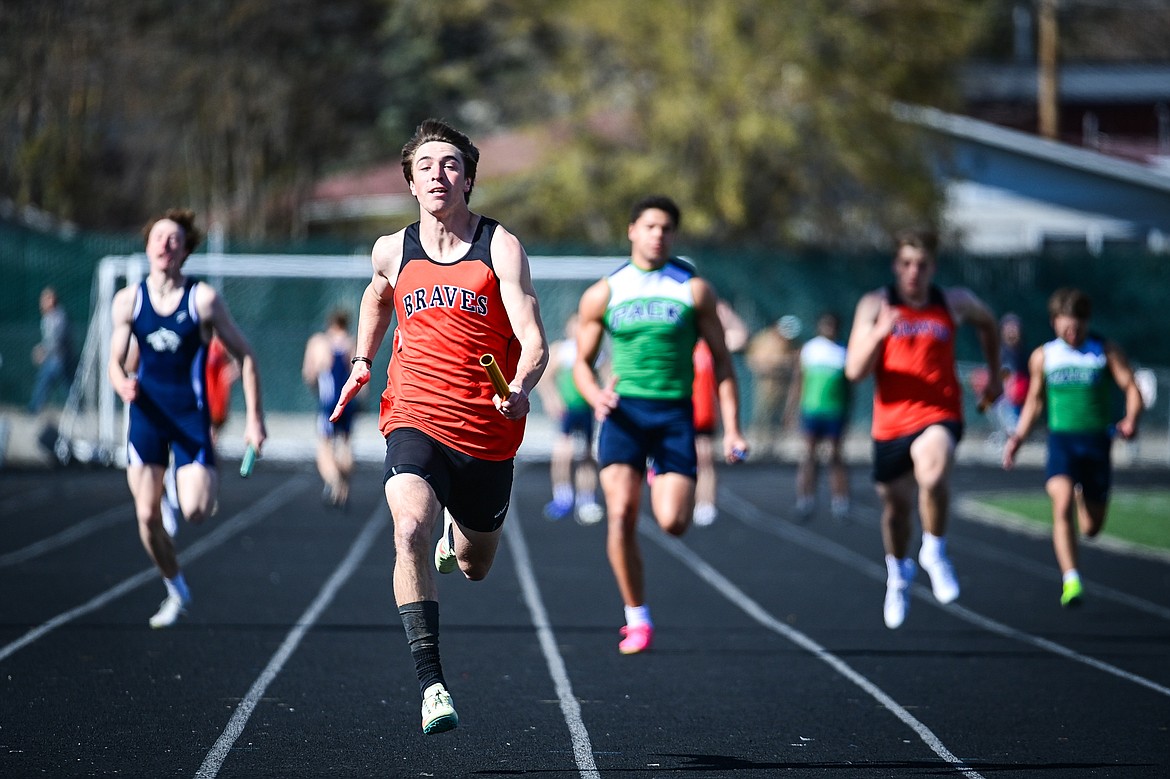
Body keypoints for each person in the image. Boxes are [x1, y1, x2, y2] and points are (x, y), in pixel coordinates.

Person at [328, 119, 547, 735]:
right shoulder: (392, 249)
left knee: (476, 565)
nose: (437, 175)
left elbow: (533, 340)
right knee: (409, 526)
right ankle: (432, 685)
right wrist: (364, 361)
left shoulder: (500, 248)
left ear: (469, 178)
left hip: (487, 432)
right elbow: (376, 296)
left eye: (450, 165)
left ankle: (461, 537)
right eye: (425, 166)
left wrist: (523, 387)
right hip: (414, 415)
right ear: (411, 182)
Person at [573, 195, 748, 655]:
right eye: (650, 226)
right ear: (632, 230)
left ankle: (658, 473)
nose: (658, 235)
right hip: (624, 414)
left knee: (673, 522)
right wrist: (596, 396)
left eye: (667, 228)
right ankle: (637, 617)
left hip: (673, 415)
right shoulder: (605, 292)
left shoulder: (693, 290)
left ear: (674, 235)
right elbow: (581, 364)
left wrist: (732, 429)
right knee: (622, 515)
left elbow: (725, 365)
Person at [107, 208, 266, 628]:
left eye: (174, 239)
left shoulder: (203, 300)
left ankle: (178, 485)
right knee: (146, 518)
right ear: (147, 245)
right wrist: (121, 381)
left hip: (189, 417)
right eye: (158, 237)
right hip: (146, 417)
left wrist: (255, 419)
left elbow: (246, 355)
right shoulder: (128, 301)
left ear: (185, 251)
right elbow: (115, 363)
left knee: (196, 510)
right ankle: (175, 588)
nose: (165, 244)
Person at [844, 228, 1001, 630]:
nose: (914, 272)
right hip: (891, 422)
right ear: (896, 266)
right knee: (896, 511)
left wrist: (995, 373)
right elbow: (854, 370)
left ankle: (934, 549)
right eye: (907, 264)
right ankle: (899, 575)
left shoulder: (954, 302)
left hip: (938, 412)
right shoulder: (875, 304)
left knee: (933, 472)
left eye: (922, 264)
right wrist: (880, 331)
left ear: (933, 266)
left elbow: (990, 325)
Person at [1002, 288, 1142, 608]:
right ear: (1054, 323)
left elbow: (1131, 387)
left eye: (1078, 327)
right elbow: (1034, 403)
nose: (1073, 333)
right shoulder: (1044, 356)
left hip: (1096, 445)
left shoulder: (1103, 351)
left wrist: (1131, 418)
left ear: (1086, 322)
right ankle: (1071, 578)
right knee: (1060, 502)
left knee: (1091, 528)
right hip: (1062, 443)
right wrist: (1017, 440)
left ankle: (1084, 496)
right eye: (1066, 328)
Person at [536, 313, 603, 525]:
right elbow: (545, 378)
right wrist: (552, 399)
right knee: (562, 453)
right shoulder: (562, 350)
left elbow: (606, 375)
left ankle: (586, 499)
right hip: (568, 410)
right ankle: (563, 497)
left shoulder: (593, 350)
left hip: (586, 409)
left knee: (586, 454)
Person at [692, 299, 748, 526]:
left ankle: (706, 503)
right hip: (682, 413)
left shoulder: (711, 348)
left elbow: (741, 337)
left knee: (705, 460)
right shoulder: (682, 346)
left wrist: (726, 314)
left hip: (705, 414)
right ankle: (688, 500)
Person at [790, 311, 851, 521]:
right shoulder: (809, 349)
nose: (829, 329)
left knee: (835, 456)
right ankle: (805, 499)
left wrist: (847, 412)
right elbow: (798, 382)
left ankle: (840, 502)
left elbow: (849, 386)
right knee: (808, 455)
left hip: (835, 411)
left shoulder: (845, 351)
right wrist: (792, 409)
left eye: (833, 325)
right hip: (811, 410)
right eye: (826, 325)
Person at [302, 309, 359, 509]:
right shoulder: (353, 343)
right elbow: (360, 375)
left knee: (324, 444)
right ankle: (344, 486)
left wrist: (315, 388)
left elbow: (309, 373)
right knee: (345, 442)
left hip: (328, 401)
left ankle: (334, 481)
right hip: (348, 400)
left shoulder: (319, 342)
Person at [745, 314, 801, 456]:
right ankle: (760, 446)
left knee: (779, 416)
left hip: (783, 385)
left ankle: (774, 448)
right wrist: (777, 364)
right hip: (766, 385)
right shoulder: (764, 340)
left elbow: (795, 361)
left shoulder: (790, 342)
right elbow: (755, 360)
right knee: (763, 415)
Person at [28, 286, 72, 414]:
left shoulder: (59, 316)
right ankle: (34, 408)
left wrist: (43, 351)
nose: (43, 302)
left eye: (46, 298)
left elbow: (58, 340)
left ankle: (34, 408)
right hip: (52, 358)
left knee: (64, 385)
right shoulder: (47, 317)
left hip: (60, 358)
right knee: (45, 382)